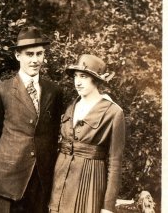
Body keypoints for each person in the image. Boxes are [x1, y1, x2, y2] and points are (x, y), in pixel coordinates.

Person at [0, 26, 63, 213]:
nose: (35, 60)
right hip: (7, 181)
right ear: (18, 56)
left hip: (41, 181)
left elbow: (53, 132)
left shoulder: (54, 91)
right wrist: (4, 165)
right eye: (29, 54)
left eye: (39, 54)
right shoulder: (1, 90)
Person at [49, 54, 125, 213]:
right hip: (61, 178)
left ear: (95, 80)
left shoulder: (113, 112)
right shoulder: (72, 106)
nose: (77, 81)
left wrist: (108, 206)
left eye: (83, 76)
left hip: (89, 179)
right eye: (76, 76)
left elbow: (115, 161)